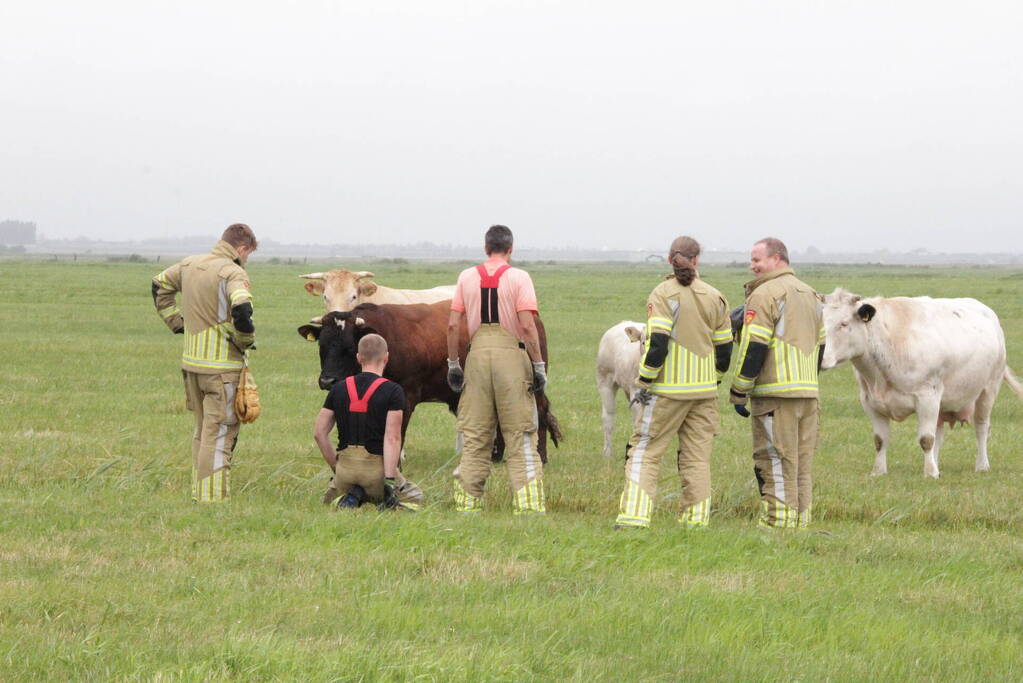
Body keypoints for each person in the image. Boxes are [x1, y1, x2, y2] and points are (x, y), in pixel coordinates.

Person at [614, 236, 734, 529]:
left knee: (646, 450)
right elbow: (725, 349)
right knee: (697, 458)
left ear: (670, 260)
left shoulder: (662, 294)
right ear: (697, 260)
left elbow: (657, 344)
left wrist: (644, 381)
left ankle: (634, 518)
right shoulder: (716, 297)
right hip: (704, 393)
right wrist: (715, 380)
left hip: (666, 392)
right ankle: (695, 522)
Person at [152, 223, 257, 502]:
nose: (246, 260)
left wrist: (176, 323)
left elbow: (159, 285)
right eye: (248, 254)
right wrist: (245, 340)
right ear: (242, 248)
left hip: (191, 366)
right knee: (220, 434)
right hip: (222, 369)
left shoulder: (189, 264)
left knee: (202, 433)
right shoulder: (233, 272)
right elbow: (243, 308)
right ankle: (212, 500)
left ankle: (199, 493)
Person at [446, 225, 547, 514]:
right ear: (511, 249)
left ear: (485, 248)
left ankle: (467, 505)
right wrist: (538, 365)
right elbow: (527, 325)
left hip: (476, 357)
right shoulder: (519, 277)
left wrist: (454, 363)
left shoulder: (466, 277)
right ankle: (529, 507)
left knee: (475, 434)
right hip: (511, 359)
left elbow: (454, 324)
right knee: (521, 434)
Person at [729, 237, 825, 529]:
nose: (752, 265)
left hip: (774, 396)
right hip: (808, 394)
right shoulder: (812, 294)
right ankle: (800, 523)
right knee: (801, 464)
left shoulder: (764, 294)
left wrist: (739, 390)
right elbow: (821, 346)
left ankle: (777, 526)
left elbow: (754, 346)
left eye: (757, 259)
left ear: (777, 259)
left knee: (774, 461)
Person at [314, 333, 424, 510]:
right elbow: (393, 439)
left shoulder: (338, 388)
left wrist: (336, 467)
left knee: (332, 499)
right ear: (386, 357)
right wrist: (389, 482)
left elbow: (319, 433)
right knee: (416, 500)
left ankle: (347, 497)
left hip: (345, 472)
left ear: (358, 358)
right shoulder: (393, 391)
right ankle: (383, 502)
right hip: (377, 473)